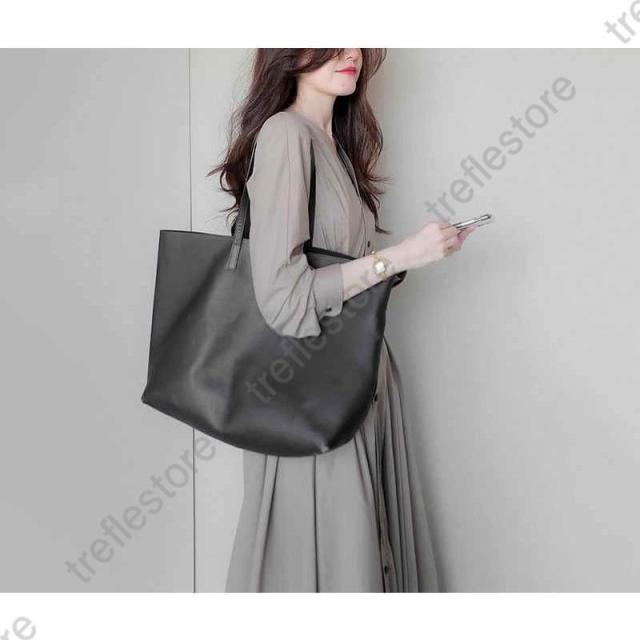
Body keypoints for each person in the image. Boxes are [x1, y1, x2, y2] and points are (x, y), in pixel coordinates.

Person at [211, 48, 474, 592]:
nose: (351, 51)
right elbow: (285, 300)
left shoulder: (335, 145)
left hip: (354, 380)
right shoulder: (286, 135)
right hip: (312, 395)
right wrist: (398, 257)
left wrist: (414, 255)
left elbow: (336, 274)